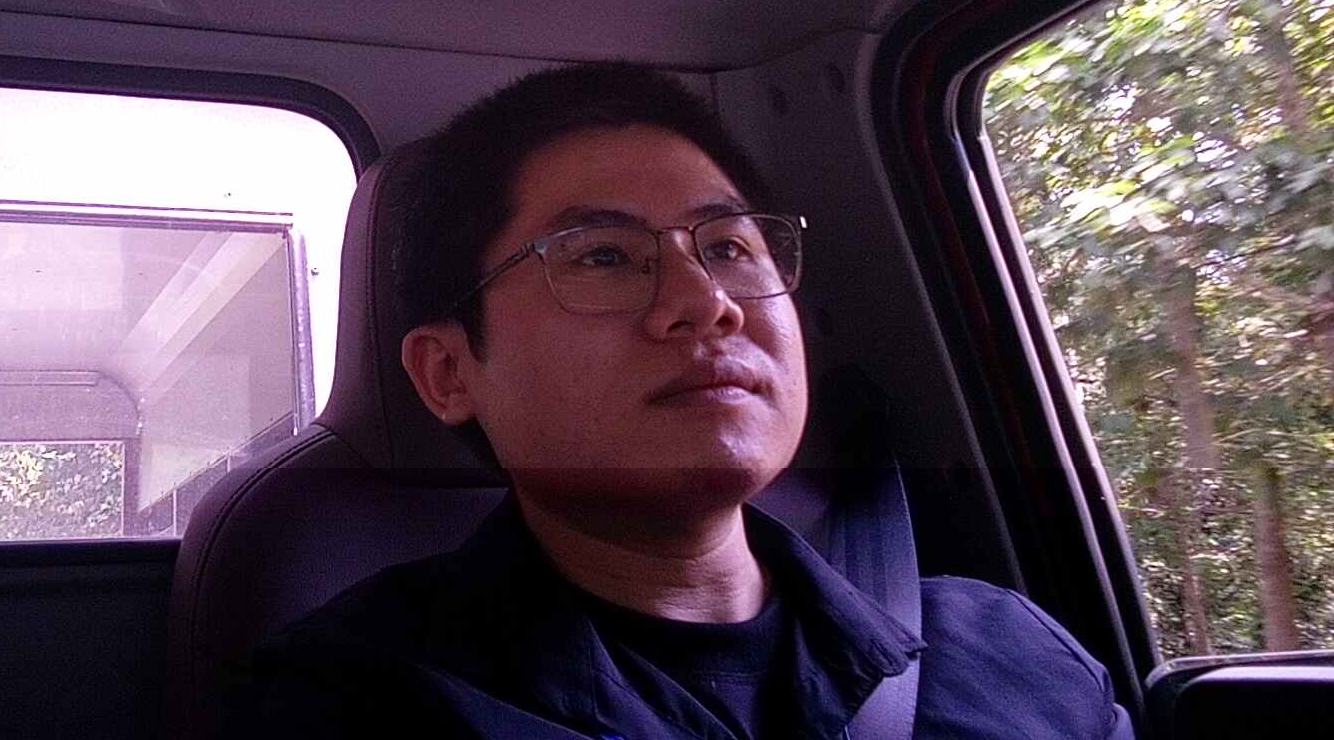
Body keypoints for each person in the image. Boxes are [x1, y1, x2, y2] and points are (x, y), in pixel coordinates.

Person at [239, 62, 1133, 738]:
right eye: (603, 257)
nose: (707, 302)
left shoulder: (1013, 656)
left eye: (731, 248)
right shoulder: (355, 706)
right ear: (448, 373)